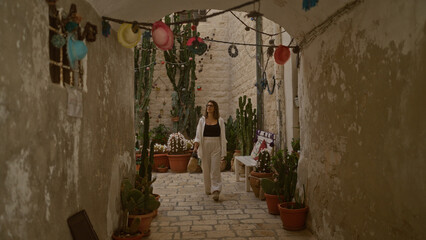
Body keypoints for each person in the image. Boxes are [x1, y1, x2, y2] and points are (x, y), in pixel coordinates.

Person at [193, 100, 227, 201]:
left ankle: (216, 190)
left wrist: (223, 152)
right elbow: (198, 135)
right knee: (206, 168)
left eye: (211, 105)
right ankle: (208, 188)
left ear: (215, 108)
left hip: (216, 145)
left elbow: (223, 136)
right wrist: (196, 146)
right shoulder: (202, 120)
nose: (209, 107)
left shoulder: (220, 120)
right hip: (204, 145)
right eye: (207, 105)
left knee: (215, 169)